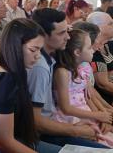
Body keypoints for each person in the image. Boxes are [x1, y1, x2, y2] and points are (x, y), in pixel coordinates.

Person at [28, 8, 108, 149]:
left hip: (60, 123)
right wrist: (76, 130)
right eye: (62, 33)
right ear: (44, 36)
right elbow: (37, 121)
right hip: (46, 132)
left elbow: (87, 93)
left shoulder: (54, 56)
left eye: (67, 30)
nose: (68, 37)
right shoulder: (40, 67)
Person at [0, 18, 61, 153]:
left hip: (20, 141)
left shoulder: (8, 72)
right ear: (15, 47)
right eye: (33, 50)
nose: (38, 56)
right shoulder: (3, 81)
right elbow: (5, 142)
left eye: (40, 50)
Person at [53, 29, 113, 147]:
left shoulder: (81, 69)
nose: (94, 50)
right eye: (89, 47)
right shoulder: (63, 72)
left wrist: (102, 115)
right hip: (70, 118)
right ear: (77, 52)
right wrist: (98, 115)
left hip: (86, 113)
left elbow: (88, 97)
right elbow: (66, 108)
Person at [87, 12, 113, 104]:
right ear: (98, 28)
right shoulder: (93, 51)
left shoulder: (108, 44)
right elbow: (103, 84)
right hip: (103, 100)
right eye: (110, 24)